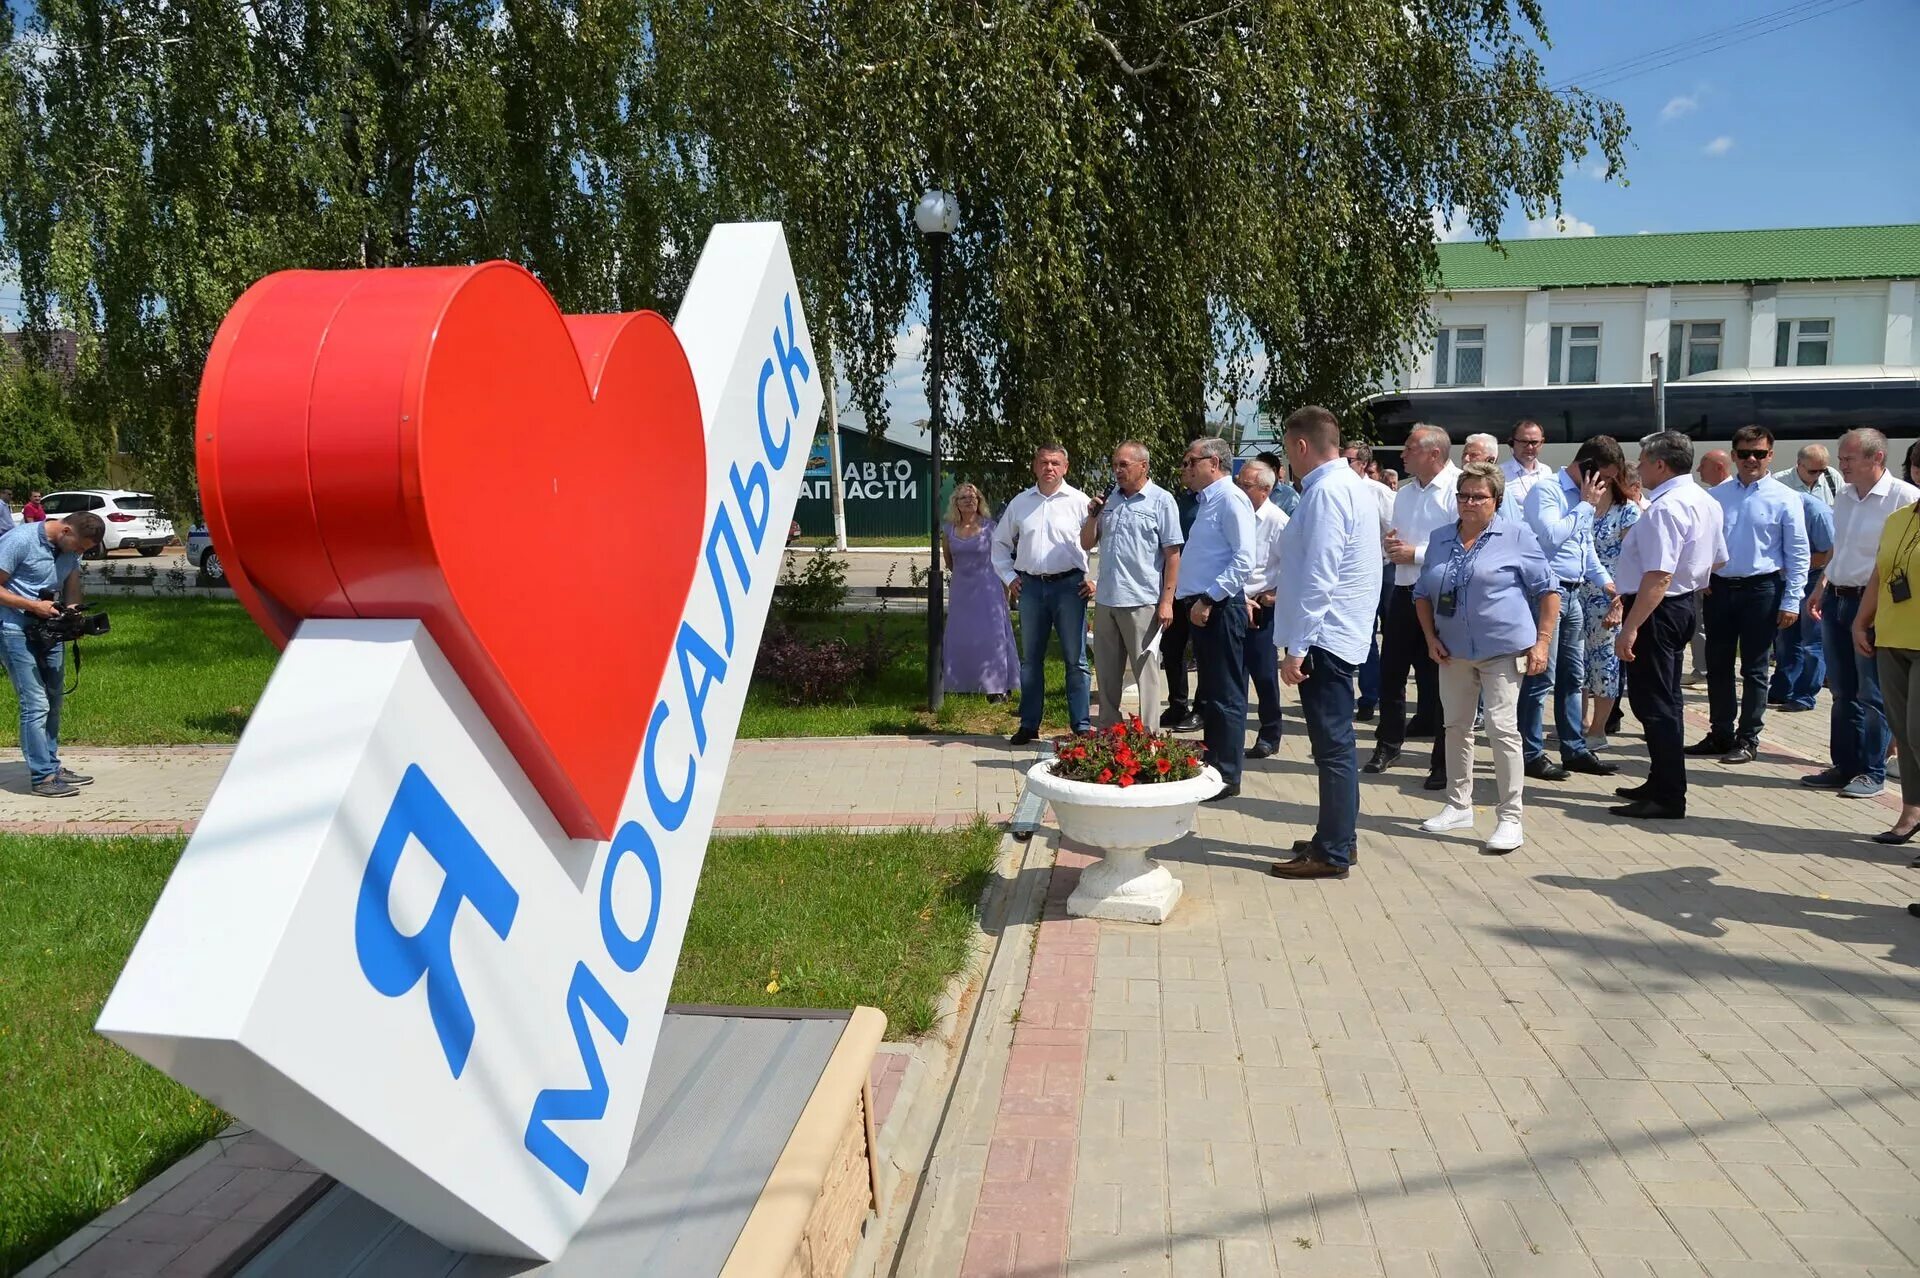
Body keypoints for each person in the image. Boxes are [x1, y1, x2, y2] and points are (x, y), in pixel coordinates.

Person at [1413, 462, 1559, 853]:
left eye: (1479, 497)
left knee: (1501, 728)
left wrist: (1542, 642)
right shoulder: (1441, 538)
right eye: (1463, 496)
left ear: (1496, 500)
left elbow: (1549, 591)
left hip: (1503, 650)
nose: (1469, 503)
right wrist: (1429, 638)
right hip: (1452, 651)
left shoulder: (1517, 536)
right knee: (1456, 727)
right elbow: (1422, 595)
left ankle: (1511, 817)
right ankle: (1458, 805)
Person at [1271, 407, 1382, 879]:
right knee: (1334, 747)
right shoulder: (1350, 486)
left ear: (1300, 445)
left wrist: (1298, 646)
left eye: (1286, 449)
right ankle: (1337, 837)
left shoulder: (1326, 494)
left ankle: (1334, 850)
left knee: (1333, 749)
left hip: (1324, 639)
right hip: (1338, 634)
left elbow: (1320, 574)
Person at [1610, 431, 1727, 820]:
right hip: (1683, 604)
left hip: (1658, 610)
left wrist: (1631, 627)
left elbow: (1658, 576)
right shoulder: (1704, 500)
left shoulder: (1666, 507)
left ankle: (1669, 795)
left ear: (1661, 464)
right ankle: (1660, 780)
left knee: (1654, 704)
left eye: (1642, 461)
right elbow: (1718, 560)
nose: (1638, 468)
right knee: (1666, 701)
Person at [1804, 428, 1920, 798]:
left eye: (1849, 459)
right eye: (1841, 458)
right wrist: (1822, 585)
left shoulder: (1904, 498)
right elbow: (1842, 546)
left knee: (1873, 693)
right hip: (1837, 597)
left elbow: (1891, 561)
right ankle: (1846, 765)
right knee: (1842, 689)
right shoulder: (1844, 495)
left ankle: (1873, 771)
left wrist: (1866, 614)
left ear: (1877, 458)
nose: (1842, 466)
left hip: (1872, 606)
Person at [1689, 425, 1809, 764]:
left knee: (1755, 668)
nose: (1751, 459)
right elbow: (1700, 541)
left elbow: (1798, 553)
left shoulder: (1786, 498)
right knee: (1718, 664)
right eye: (1744, 453)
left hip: (1762, 590)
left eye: (1759, 453)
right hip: (1720, 588)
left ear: (1771, 455)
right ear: (1734, 455)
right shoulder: (1716, 496)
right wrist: (1702, 576)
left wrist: (1791, 600)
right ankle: (1720, 733)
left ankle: (1748, 739)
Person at [1518, 437, 1623, 780]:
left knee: (1572, 677)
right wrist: (1585, 506)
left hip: (1575, 593)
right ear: (1588, 466)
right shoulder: (1546, 491)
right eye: (1603, 476)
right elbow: (1550, 536)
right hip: (1547, 593)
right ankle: (1530, 753)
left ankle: (1574, 748)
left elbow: (1584, 547)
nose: (1605, 485)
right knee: (1540, 677)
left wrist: (1607, 582)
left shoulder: (1584, 496)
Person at [1367, 424, 1458, 789]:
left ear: (1433, 453)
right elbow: (1396, 539)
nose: (1401, 455)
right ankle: (1388, 744)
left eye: (1409, 449)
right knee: (1391, 674)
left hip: (1443, 597)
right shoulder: (1403, 494)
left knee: (1439, 682)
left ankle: (1442, 761)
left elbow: (1463, 547)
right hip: (1404, 591)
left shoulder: (1457, 490)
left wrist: (1415, 553)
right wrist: (1391, 545)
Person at [990, 443, 1093, 744]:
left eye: (1056, 463)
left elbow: (1100, 542)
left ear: (1066, 467)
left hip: (1070, 587)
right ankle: (1029, 724)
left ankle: (1082, 726)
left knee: (1076, 660)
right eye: (1044, 462)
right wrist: (1009, 577)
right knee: (1031, 660)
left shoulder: (1079, 502)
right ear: (1034, 466)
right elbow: (999, 545)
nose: (1049, 468)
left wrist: (1094, 579)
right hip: (1032, 587)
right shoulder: (1021, 503)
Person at [1173, 436, 1255, 800]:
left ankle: (1227, 775)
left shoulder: (1231, 498)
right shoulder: (1208, 501)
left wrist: (1209, 597)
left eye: (1191, 461)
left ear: (1214, 462)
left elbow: (1243, 559)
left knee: (1225, 695)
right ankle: (1214, 766)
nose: (1186, 468)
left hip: (1219, 608)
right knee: (1211, 696)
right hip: (1202, 607)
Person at [0, 512, 105, 796]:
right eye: (81, 547)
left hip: (50, 630)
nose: (80, 553)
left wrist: (73, 615)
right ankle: (42, 778)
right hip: (14, 628)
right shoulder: (19, 541)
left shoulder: (69, 550)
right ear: (66, 530)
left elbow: (72, 587)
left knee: (54, 700)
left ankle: (51, 764)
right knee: (35, 702)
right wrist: (33, 606)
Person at [1081, 442, 1183, 729]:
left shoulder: (1161, 501)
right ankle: (1110, 735)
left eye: (1124, 464)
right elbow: (1086, 543)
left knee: (1146, 675)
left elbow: (1172, 554)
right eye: (1115, 464)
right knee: (1107, 675)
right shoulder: (1108, 500)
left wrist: (1167, 601)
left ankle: (1149, 738)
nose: (1117, 470)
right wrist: (1093, 516)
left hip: (1142, 601)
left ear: (1143, 466)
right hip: (1107, 601)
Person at [1852, 438, 1920, 848]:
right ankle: (1911, 810)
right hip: (1893, 637)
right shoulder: (1899, 519)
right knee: (1902, 729)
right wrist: (1862, 620)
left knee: (1918, 732)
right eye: (1917, 464)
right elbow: (1881, 573)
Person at [1581, 456, 1641, 750]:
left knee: (1605, 665)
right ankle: (1575, 724)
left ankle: (1597, 730)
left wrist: (1620, 604)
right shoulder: (1581, 508)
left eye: (1604, 478)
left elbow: (1633, 560)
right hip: (1576, 595)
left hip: (1610, 598)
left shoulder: (1628, 512)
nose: (1597, 483)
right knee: (1576, 665)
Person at [942, 483, 1019, 701]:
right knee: (961, 636)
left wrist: (1006, 593)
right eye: (964, 497)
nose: (969, 500)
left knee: (991, 636)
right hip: (961, 590)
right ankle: (959, 684)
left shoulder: (991, 527)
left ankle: (996, 688)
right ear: (955, 503)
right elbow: (949, 561)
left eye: (974, 497)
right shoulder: (948, 530)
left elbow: (1001, 559)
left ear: (980, 502)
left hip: (988, 589)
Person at [1236, 459, 1289, 758]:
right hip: (1232, 601)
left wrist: (1276, 593)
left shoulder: (1278, 521)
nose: (1240, 490)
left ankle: (1270, 733)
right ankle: (1231, 734)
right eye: (1239, 483)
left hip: (1259, 607)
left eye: (1247, 486)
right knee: (1233, 675)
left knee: (1264, 675)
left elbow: (1293, 565)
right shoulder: (1233, 513)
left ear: (1266, 490)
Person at [1770, 486, 1836, 711]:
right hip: (1787, 578)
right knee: (1785, 637)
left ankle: (1805, 696)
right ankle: (1781, 690)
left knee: (1811, 642)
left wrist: (1795, 565)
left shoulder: (1817, 512)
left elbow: (1830, 553)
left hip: (1815, 578)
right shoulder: (1778, 504)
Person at [1343, 441, 1395, 718]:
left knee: (1390, 634)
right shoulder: (1338, 489)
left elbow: (1394, 528)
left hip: (1383, 571)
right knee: (1364, 634)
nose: (1343, 464)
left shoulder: (1379, 492)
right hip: (1352, 575)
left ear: (1363, 464)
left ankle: (1384, 694)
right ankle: (1367, 698)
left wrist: (1379, 552)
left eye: (1348, 460)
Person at [1157, 484, 1203, 731]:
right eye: (1184, 464)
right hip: (1175, 585)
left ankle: (1201, 709)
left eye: (1191, 464)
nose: (1186, 469)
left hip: (1201, 589)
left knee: (1201, 652)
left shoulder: (1216, 501)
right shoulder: (1179, 501)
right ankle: (1177, 705)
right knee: (1172, 648)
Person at [1501, 420, 1553, 508]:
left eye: (1534, 442)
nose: (1529, 447)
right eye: (1524, 442)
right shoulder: (1500, 473)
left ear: (1542, 442)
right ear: (1512, 442)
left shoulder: (1546, 471)